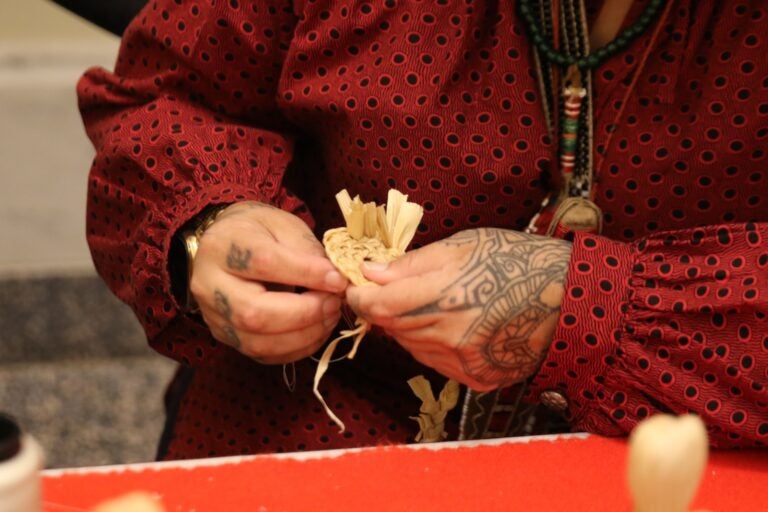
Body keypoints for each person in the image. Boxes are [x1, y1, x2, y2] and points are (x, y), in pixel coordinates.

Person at [77, 0, 768, 460]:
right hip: (319, 429)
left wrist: (591, 306)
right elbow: (163, 97)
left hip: (689, 451)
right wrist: (208, 223)